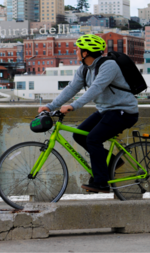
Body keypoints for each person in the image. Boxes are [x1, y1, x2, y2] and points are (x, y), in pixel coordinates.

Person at [38, 34, 139, 193]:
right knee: (79, 135)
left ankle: (101, 183)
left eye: (78, 49)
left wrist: (73, 106)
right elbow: (71, 88)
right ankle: (112, 161)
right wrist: (51, 106)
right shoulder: (84, 69)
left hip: (123, 111)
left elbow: (96, 88)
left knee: (93, 139)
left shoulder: (109, 65)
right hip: (106, 111)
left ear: (86, 53)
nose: (76, 51)